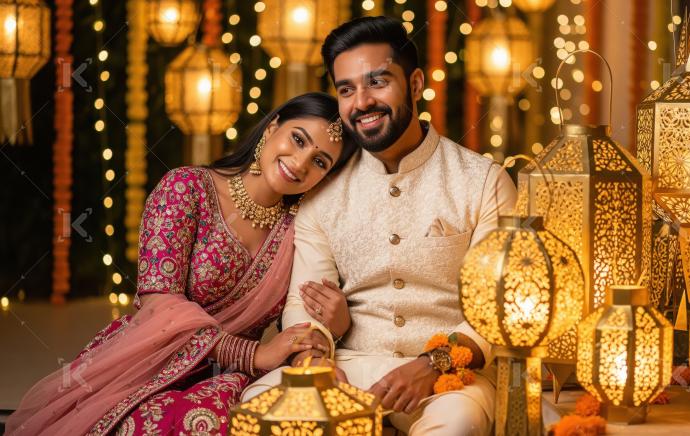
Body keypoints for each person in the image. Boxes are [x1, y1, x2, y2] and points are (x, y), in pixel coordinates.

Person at [6, 92, 357, 436]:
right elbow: (159, 303)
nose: (300, 162)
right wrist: (253, 353)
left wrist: (335, 328)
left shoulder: (302, 228)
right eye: (297, 139)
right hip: (149, 362)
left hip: (231, 378)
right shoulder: (186, 188)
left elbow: (303, 309)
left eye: (320, 161)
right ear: (272, 127)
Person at [244, 17, 517, 436]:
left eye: (377, 82)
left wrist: (432, 365)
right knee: (262, 405)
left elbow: (497, 309)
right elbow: (305, 302)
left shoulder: (482, 182)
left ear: (414, 83)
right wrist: (313, 362)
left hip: (448, 380)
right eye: (347, 90)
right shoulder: (323, 192)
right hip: (347, 366)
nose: (362, 102)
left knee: (458, 425)